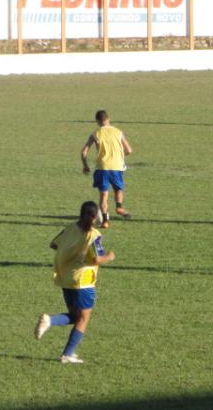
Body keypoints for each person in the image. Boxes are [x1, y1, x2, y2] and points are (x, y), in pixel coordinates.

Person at [34, 201, 115, 363]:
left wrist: (71, 251)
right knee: (83, 319)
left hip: (66, 278)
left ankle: (52, 324)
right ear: (94, 217)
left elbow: (53, 244)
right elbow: (98, 259)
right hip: (83, 281)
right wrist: (110, 256)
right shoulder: (94, 235)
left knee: (75, 316)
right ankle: (67, 352)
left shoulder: (70, 228)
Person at [81, 110, 132, 229]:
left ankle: (105, 221)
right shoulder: (118, 132)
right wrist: (119, 156)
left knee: (103, 195)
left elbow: (84, 152)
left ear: (97, 121)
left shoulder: (95, 133)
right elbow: (129, 150)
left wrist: (85, 165)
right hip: (117, 166)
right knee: (118, 189)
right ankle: (119, 206)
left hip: (102, 167)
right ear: (108, 119)